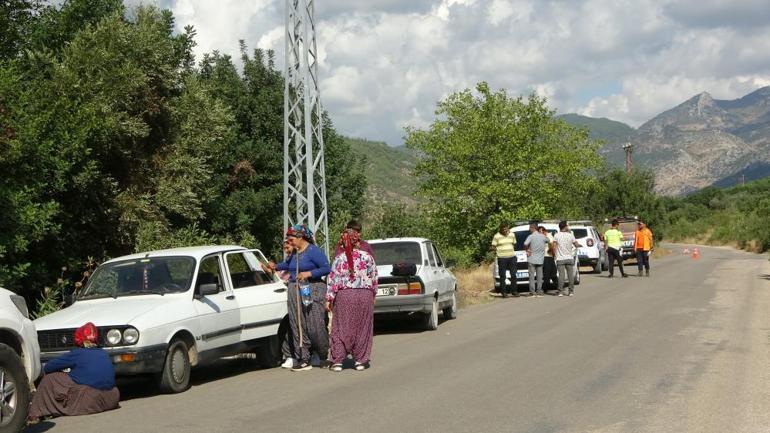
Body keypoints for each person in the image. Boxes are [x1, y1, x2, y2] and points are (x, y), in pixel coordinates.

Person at [266, 224, 331, 371]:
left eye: (291, 238)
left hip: (312, 288)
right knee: (297, 324)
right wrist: (275, 266)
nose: (289, 242)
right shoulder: (294, 253)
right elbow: (287, 265)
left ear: (300, 237)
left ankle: (322, 354)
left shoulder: (313, 251)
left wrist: (309, 273)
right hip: (294, 289)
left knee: (314, 323)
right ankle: (303, 357)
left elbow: (327, 267)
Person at [28, 322, 120, 422]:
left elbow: (48, 367)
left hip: (90, 401)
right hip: (112, 398)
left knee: (49, 379)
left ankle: (35, 413)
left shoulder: (77, 353)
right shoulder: (104, 353)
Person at [326, 229, 378, 372]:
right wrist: (373, 296)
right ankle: (360, 361)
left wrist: (329, 298)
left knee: (340, 326)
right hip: (364, 295)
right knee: (362, 327)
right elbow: (374, 278)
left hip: (345, 296)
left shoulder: (339, 259)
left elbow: (333, 280)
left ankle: (338, 360)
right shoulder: (368, 257)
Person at [553, 221, 580, 296]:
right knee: (570, 275)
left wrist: (555, 255)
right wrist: (578, 245)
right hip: (569, 257)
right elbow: (576, 244)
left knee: (561, 275)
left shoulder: (556, 235)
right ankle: (571, 291)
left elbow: (554, 246)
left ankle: (560, 291)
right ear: (565, 227)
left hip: (560, 258)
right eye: (567, 226)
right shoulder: (570, 235)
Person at [491, 223, 518, 298]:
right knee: (502, 276)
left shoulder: (512, 234)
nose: (504, 230)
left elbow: (515, 244)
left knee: (513, 275)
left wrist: (510, 248)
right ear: (500, 229)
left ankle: (514, 291)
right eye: (503, 229)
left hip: (512, 257)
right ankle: (504, 292)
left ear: (507, 228)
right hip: (502, 258)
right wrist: (497, 251)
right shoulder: (496, 236)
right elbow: (493, 246)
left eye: (505, 229)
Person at [523, 223, 548, 297]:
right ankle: (539, 291)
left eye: (530, 228)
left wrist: (527, 250)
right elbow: (548, 240)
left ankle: (532, 292)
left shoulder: (530, 236)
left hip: (531, 259)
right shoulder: (543, 236)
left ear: (533, 228)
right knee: (540, 276)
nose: (529, 230)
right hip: (540, 259)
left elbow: (525, 244)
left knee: (531, 277)